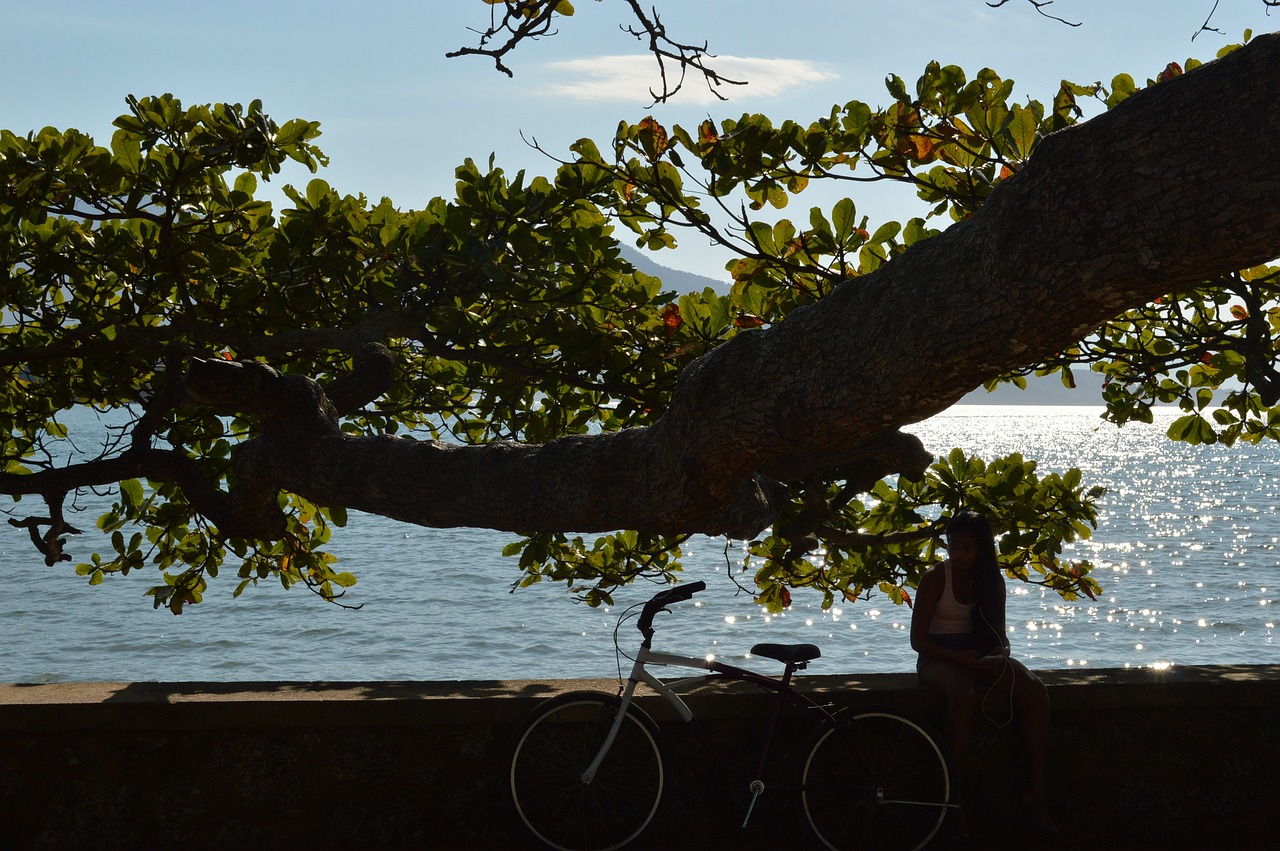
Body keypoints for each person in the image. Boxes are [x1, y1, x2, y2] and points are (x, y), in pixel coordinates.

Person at [909, 511, 1056, 840]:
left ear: (983, 549)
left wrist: (999, 653)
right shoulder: (935, 578)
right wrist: (959, 658)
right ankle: (953, 798)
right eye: (954, 546)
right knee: (964, 696)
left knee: (1035, 692)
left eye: (968, 548)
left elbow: (1000, 635)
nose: (958, 554)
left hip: (978, 654)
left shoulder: (992, 581)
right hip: (938, 656)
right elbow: (918, 641)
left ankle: (1035, 791)